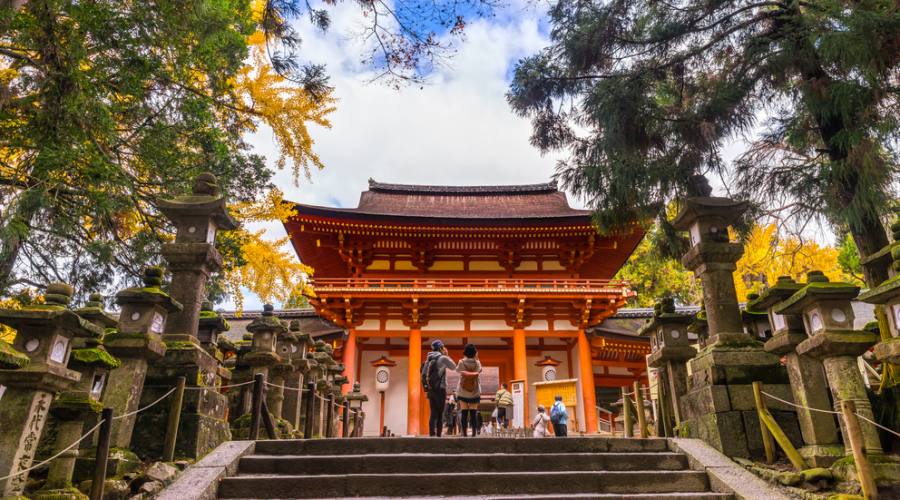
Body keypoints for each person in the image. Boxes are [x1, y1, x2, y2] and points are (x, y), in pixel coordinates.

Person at [421, 339, 457, 437]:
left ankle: (432, 435)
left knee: (433, 413)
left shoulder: (428, 359)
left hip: (430, 389)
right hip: (440, 389)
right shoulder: (442, 358)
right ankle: (438, 436)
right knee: (440, 413)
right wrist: (446, 355)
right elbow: (454, 367)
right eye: (443, 347)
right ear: (440, 348)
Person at [455, 343, 482, 437]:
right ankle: (474, 433)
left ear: (465, 352)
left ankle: (464, 433)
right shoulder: (477, 362)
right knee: (474, 413)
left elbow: (457, 370)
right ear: (475, 352)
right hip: (474, 390)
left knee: (464, 412)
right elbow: (479, 371)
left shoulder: (461, 361)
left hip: (463, 390)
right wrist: (476, 358)